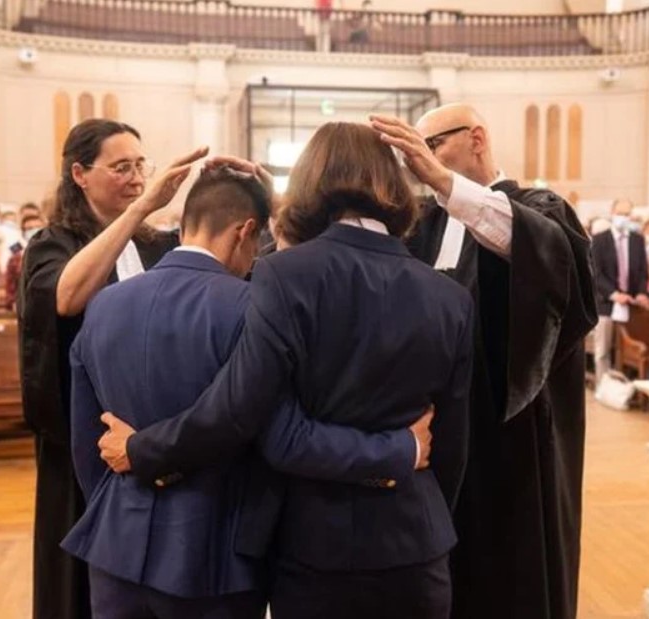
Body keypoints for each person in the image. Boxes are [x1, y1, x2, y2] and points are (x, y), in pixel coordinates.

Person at [98, 123, 474, 619]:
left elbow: (247, 415)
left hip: (315, 545)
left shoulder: (282, 274)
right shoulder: (450, 296)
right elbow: (453, 446)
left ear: (309, 183)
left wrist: (141, 450)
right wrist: (403, 459)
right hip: (417, 542)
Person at [370, 104, 598, 619]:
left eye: (431, 146)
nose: (419, 163)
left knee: (510, 574)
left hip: (512, 432)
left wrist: (445, 183)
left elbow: (551, 270)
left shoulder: (542, 208)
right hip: (435, 432)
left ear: (476, 137)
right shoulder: (423, 223)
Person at [18, 117, 206, 619]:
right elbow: (66, 297)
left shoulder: (156, 245)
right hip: (83, 438)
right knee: (79, 582)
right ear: (80, 174)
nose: (137, 178)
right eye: (121, 167)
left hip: (149, 434)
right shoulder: (53, 242)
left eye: (140, 165)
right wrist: (143, 207)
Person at [590, 198, 649, 383]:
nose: (623, 218)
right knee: (603, 350)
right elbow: (596, 273)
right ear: (612, 214)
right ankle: (604, 387)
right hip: (607, 302)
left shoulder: (637, 240)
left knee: (626, 348)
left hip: (631, 303)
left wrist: (641, 292)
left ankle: (626, 386)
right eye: (620, 213)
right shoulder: (600, 240)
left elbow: (642, 271)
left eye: (627, 214)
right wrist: (614, 294)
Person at [5, 214, 45, 311]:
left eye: (37, 227)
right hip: (25, 306)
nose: (34, 231)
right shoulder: (16, 253)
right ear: (23, 232)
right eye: (29, 228)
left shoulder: (54, 250)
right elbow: (10, 284)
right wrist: (12, 301)